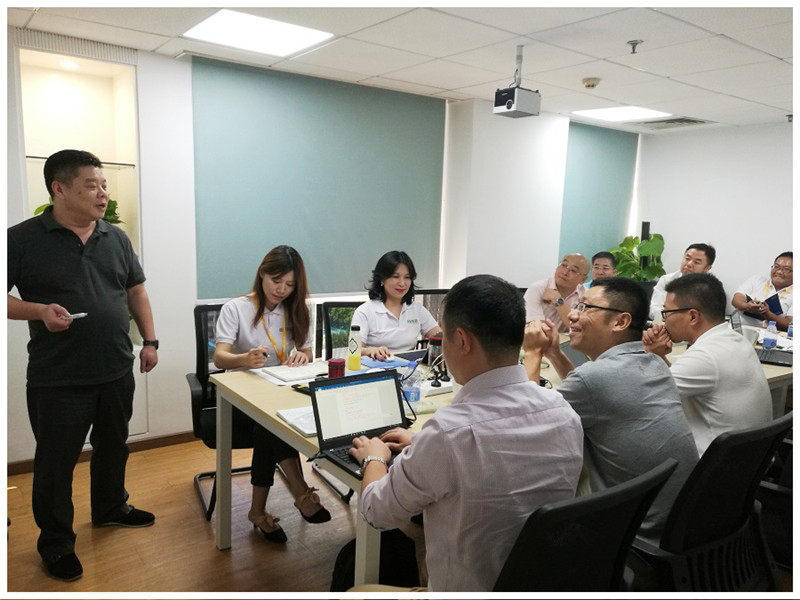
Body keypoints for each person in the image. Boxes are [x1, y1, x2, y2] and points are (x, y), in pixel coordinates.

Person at [348, 274, 583, 591]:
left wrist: (374, 457)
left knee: (356, 591)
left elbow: (376, 512)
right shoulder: (563, 412)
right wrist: (422, 444)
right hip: (543, 585)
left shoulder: (448, 433)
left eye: (443, 336)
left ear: (461, 340)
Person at [7, 150, 159, 582]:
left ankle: (110, 507)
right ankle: (56, 543)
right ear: (59, 188)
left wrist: (149, 342)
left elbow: (136, 291)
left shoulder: (115, 237)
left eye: (104, 184)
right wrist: (39, 311)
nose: (103, 193)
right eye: (92, 185)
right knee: (55, 465)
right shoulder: (21, 239)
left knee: (113, 446)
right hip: (58, 378)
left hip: (116, 368)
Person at [522, 277, 698, 544]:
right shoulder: (655, 362)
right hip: (681, 522)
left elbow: (527, 424)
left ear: (620, 322)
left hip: (636, 535)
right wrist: (555, 353)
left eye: (585, 308)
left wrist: (533, 353)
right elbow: (592, 393)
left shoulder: (593, 379)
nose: (572, 314)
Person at [214, 245, 331, 543]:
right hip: (238, 398)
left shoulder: (296, 309)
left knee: (267, 425)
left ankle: (258, 512)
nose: (282, 290)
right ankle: (300, 491)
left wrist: (303, 355)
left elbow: (306, 350)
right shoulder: (236, 308)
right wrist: (244, 358)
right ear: (262, 274)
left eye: (290, 284)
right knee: (269, 424)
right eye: (276, 281)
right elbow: (219, 357)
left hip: (278, 390)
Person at [643, 273, 772, 455]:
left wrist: (647, 354)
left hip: (712, 466)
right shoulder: (735, 340)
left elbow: (642, 398)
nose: (664, 320)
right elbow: (675, 382)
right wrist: (658, 356)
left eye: (666, 313)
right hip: (749, 461)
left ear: (693, 316)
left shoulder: (704, 356)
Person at [351, 251, 441, 360]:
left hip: (410, 367)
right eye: (395, 276)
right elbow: (354, 351)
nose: (402, 283)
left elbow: (440, 336)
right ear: (382, 279)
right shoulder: (364, 311)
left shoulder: (417, 309)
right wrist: (371, 351)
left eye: (407, 277)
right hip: (376, 367)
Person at [649, 243, 715, 321]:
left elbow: (708, 318)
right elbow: (654, 310)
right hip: (664, 324)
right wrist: (671, 319)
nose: (689, 264)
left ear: (707, 268)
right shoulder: (666, 280)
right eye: (687, 258)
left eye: (697, 262)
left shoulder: (710, 288)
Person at [524, 253, 588, 332]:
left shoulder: (585, 295)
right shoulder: (537, 288)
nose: (565, 272)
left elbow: (580, 329)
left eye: (573, 270)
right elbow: (537, 329)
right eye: (564, 265)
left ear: (583, 279)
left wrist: (557, 300)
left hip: (565, 339)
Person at [731, 251, 793, 331]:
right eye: (776, 267)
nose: (779, 272)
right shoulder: (757, 280)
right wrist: (748, 307)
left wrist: (767, 314)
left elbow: (789, 325)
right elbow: (736, 300)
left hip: (770, 334)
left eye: (786, 269)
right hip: (740, 328)